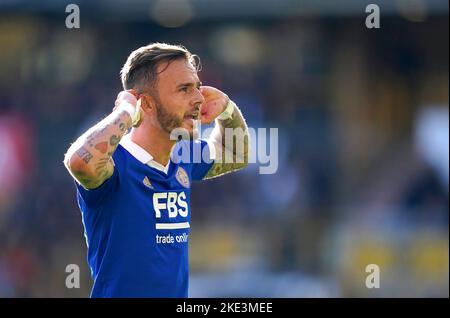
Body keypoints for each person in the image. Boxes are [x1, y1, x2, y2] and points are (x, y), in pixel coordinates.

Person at [63, 43, 249, 297]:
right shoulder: (116, 163)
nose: (198, 99)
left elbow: (237, 153)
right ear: (146, 105)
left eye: (196, 87)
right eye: (184, 89)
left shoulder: (183, 156)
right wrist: (126, 112)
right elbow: (79, 161)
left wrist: (227, 109)